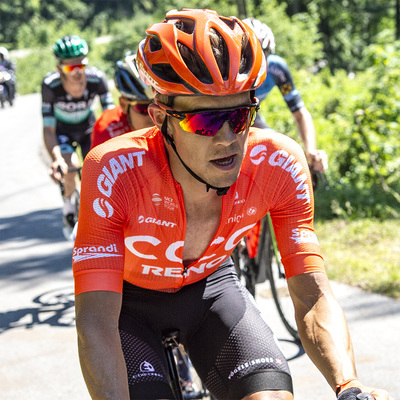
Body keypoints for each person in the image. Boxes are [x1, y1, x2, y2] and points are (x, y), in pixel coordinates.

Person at [72, 9, 391, 400]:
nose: (226, 138)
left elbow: (312, 295)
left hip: (211, 292)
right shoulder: (112, 170)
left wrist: (349, 386)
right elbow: (96, 322)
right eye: (204, 122)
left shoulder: (278, 163)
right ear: (160, 118)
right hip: (128, 308)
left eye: (240, 116)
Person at [41, 35, 115, 232]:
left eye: (80, 66)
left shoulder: (97, 78)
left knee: (96, 173)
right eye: (70, 68)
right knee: (70, 167)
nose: (76, 73)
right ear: (59, 69)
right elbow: (48, 130)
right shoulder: (50, 85)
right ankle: (68, 207)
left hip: (88, 128)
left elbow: (111, 116)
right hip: (63, 131)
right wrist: (56, 159)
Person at [243, 17, 327, 174]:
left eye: (264, 55)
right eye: (248, 56)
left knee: (281, 148)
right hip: (232, 117)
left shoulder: (276, 68)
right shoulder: (226, 70)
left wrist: (310, 151)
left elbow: (300, 112)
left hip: (252, 115)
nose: (257, 64)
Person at [90, 52, 154, 149]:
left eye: (160, 105)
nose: (154, 114)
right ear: (124, 105)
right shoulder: (106, 129)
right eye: (144, 108)